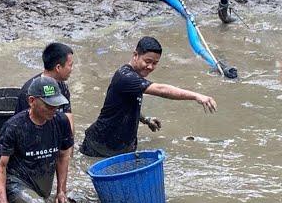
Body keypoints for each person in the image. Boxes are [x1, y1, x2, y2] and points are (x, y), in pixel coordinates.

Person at [80, 36, 218, 158]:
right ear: (135, 55)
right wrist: (196, 96)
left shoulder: (135, 78)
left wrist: (146, 119)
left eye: (155, 63)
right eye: (147, 61)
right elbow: (161, 89)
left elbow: (124, 107)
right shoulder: (126, 77)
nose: (150, 67)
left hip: (117, 148)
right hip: (100, 148)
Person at [0, 77, 73, 203]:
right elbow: (0, 165)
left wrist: (61, 191)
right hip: (16, 183)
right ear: (32, 101)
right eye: (49, 105)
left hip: (41, 184)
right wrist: (2, 202)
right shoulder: (14, 126)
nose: (54, 110)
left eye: (56, 105)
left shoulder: (61, 122)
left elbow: (63, 156)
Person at [15, 42, 75, 138]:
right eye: (70, 65)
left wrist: (68, 144)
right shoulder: (30, 91)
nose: (72, 69)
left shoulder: (62, 86)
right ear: (58, 67)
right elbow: (20, 127)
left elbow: (68, 118)